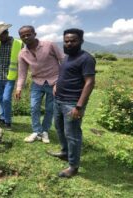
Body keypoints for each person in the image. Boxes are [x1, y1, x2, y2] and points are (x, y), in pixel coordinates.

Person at [48, 28, 96, 178]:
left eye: (73, 41)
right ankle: (65, 152)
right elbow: (65, 74)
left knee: (72, 134)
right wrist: (56, 84)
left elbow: (89, 82)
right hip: (59, 99)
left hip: (72, 102)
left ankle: (73, 166)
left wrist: (79, 106)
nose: (69, 44)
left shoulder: (86, 58)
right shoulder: (67, 57)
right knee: (59, 128)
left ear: (81, 41)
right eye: (66, 41)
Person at [15, 25, 64, 143]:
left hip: (54, 82)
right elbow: (22, 73)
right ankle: (37, 132)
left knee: (49, 109)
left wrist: (61, 82)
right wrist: (19, 88)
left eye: (28, 34)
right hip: (37, 82)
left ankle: (45, 131)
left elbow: (63, 61)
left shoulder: (49, 45)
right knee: (33, 107)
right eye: (23, 36)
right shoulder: (22, 53)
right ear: (20, 38)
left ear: (34, 34)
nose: (26, 37)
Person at [0, 21, 22, 130]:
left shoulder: (18, 43)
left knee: (6, 99)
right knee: (0, 98)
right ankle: (2, 118)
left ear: (5, 33)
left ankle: (8, 122)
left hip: (9, 78)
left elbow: (24, 61)